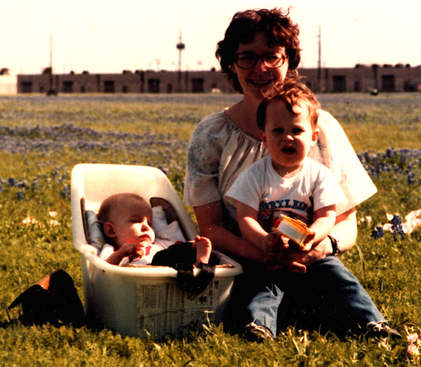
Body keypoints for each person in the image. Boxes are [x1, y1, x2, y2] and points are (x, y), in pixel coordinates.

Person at [183, 8, 398, 339]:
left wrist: (319, 249)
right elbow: (210, 227)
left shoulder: (321, 127)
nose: (261, 68)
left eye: (272, 56)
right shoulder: (211, 134)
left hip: (313, 263)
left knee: (337, 285)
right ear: (231, 63)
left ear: (289, 61)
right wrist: (263, 255)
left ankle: (367, 324)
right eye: (247, 57)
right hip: (246, 270)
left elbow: (346, 220)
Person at [225, 80, 394, 339]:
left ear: (313, 136)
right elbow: (245, 216)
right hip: (269, 255)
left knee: (340, 278)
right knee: (259, 287)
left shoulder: (319, 176)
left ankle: (370, 323)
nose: (287, 137)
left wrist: (312, 237)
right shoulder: (253, 176)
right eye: (278, 130)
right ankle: (257, 327)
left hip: (311, 254)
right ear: (264, 136)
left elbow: (327, 216)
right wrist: (262, 240)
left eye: (297, 130)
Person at [97, 193, 212, 266]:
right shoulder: (112, 251)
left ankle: (200, 262)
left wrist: (192, 246)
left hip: (173, 273)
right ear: (111, 231)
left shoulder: (158, 243)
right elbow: (104, 270)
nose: (146, 227)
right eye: (136, 221)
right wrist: (120, 255)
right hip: (144, 275)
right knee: (160, 258)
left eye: (150, 223)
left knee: (178, 249)